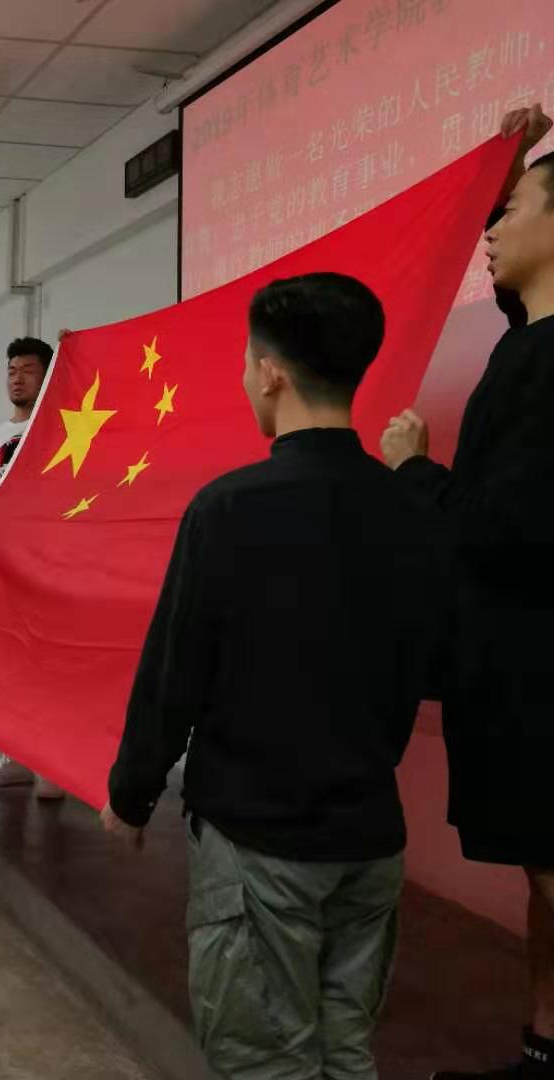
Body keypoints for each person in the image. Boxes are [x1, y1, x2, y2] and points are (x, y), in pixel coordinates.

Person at [101, 274, 447, 1080]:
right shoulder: (413, 508)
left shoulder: (230, 507)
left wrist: (131, 792)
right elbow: (435, 657)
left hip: (259, 841)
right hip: (371, 839)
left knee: (265, 1061)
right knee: (346, 1051)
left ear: (270, 372)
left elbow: (175, 669)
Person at [382, 105, 554, 1080]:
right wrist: (508, 165)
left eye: (513, 211)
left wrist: (416, 471)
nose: (491, 233)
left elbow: (509, 527)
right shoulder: (530, 342)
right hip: (516, 667)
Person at [0, 337, 66, 799]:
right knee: (7, 666)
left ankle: (51, 763)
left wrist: (75, 359)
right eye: (12, 370)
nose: (17, 378)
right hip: (3, 570)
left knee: (48, 666)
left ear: (47, 376)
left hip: (51, 566)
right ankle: (15, 757)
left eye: (28, 370)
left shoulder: (63, 428)